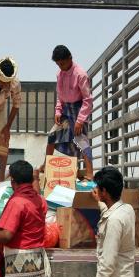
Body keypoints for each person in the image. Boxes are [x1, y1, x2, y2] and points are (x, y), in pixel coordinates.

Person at [47, 45, 95, 179]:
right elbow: (60, 95)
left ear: (70, 58)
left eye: (62, 63)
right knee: (52, 135)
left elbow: (88, 99)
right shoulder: (59, 74)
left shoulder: (81, 74)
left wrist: (80, 121)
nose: (60, 66)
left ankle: (90, 173)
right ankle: (47, 167)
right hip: (65, 110)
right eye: (57, 64)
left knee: (81, 140)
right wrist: (58, 110)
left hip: (79, 109)